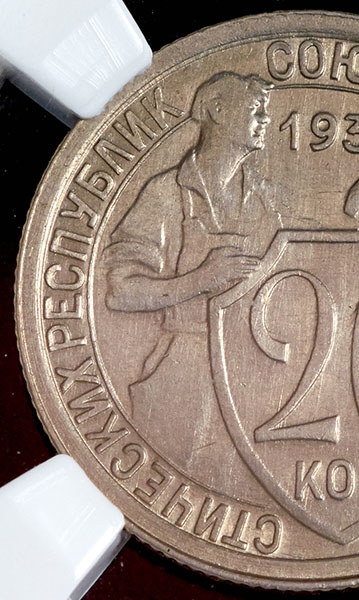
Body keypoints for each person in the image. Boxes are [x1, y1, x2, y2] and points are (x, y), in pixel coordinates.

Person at [103, 72, 282, 482]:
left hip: (254, 374)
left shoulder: (267, 200)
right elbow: (119, 292)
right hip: (182, 372)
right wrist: (201, 279)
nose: (265, 119)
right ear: (218, 111)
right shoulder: (165, 193)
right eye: (255, 110)